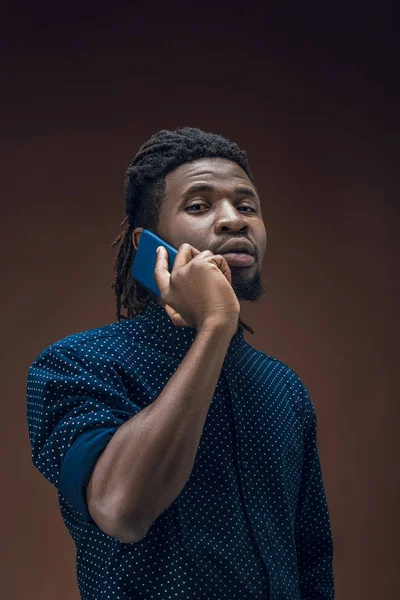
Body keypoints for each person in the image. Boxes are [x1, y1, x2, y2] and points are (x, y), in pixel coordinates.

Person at [26, 126, 334, 599]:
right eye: (199, 205)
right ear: (146, 245)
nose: (234, 220)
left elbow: (312, 564)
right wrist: (214, 326)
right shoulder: (76, 364)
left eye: (247, 205)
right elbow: (121, 508)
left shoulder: (284, 388)